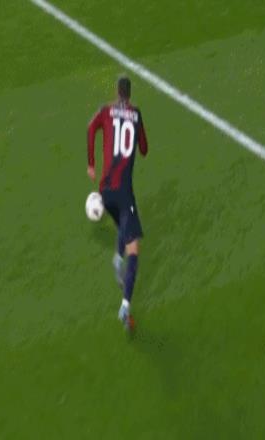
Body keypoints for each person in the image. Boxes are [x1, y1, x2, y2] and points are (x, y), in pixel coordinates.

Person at [87, 75, 149, 331]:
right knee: (134, 248)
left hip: (104, 191)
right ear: (130, 93)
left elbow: (91, 128)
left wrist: (91, 163)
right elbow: (144, 149)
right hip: (124, 192)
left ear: (117, 91)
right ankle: (125, 306)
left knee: (123, 222)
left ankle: (116, 257)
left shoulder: (105, 110)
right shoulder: (136, 114)